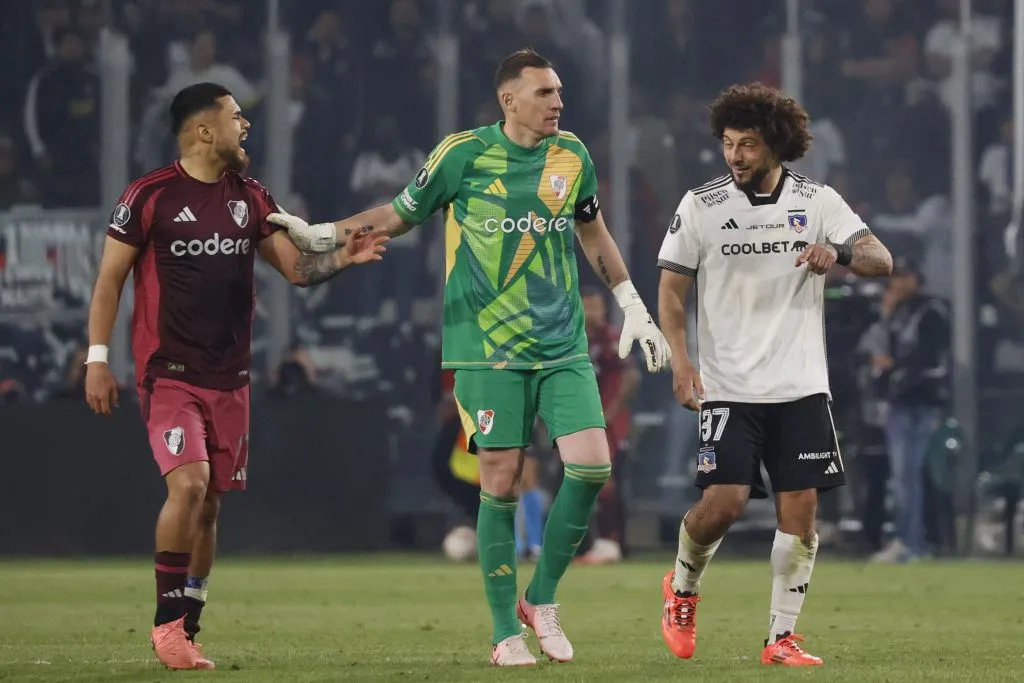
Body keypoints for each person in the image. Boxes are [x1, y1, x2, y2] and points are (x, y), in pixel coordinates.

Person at [270, 48, 671, 666]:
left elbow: (591, 230)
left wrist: (632, 304)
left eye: (559, 92)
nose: (558, 103)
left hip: (561, 342)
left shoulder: (573, 157)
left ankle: (541, 599)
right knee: (500, 481)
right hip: (487, 347)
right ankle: (504, 633)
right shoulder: (463, 154)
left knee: (592, 467)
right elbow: (397, 215)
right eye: (544, 93)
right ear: (509, 99)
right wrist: (324, 234)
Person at [83, 82, 386, 671]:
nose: (246, 126)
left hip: (230, 377)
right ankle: (167, 626)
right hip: (168, 372)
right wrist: (98, 358)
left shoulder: (251, 196)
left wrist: (343, 259)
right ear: (204, 130)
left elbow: (296, 269)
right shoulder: (149, 196)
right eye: (236, 116)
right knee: (189, 485)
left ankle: (189, 626)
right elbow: (109, 280)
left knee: (209, 506)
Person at [656, 83, 893, 667]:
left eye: (747, 144)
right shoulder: (701, 205)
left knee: (801, 512)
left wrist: (838, 254)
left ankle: (780, 638)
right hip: (729, 385)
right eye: (728, 143)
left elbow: (881, 259)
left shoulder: (817, 200)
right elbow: (671, 290)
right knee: (724, 503)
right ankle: (682, 588)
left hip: (800, 384)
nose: (734, 156)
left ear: (776, 144)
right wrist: (681, 361)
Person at [866, 257, 949, 563]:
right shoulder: (895, 312)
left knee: (910, 476)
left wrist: (894, 365)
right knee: (904, 476)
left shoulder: (931, 310)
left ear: (917, 278)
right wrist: (886, 317)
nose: (898, 283)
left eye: (904, 276)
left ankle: (912, 542)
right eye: (895, 277)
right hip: (899, 401)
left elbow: (928, 356)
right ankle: (911, 541)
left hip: (921, 402)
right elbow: (880, 350)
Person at [576, 285, 640, 564]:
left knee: (606, 479)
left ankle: (610, 541)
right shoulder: (572, 339)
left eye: (597, 306)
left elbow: (632, 376)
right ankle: (592, 544)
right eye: (588, 306)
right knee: (581, 480)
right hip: (581, 422)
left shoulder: (610, 338)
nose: (594, 312)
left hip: (608, 424)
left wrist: (611, 412)